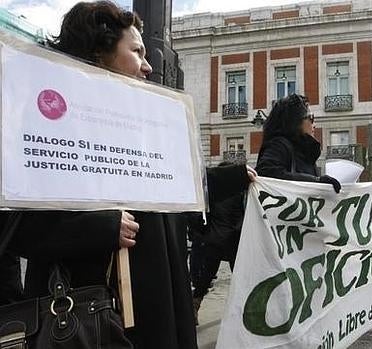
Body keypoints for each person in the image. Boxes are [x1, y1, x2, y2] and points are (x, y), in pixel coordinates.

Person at [5, 2, 254, 348]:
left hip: (161, 304)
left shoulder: (150, 128)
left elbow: (177, 192)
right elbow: (15, 229)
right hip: (94, 318)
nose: (149, 66)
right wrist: (99, 227)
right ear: (99, 52)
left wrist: (239, 175)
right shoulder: (48, 125)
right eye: (137, 51)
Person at [190, 161, 247, 324]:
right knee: (239, 279)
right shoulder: (239, 191)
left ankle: (195, 306)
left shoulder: (212, 192)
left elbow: (198, 216)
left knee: (205, 280)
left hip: (214, 240)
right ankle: (241, 313)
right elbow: (242, 213)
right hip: (233, 240)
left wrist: (202, 232)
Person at [255, 93, 341, 193]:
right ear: (295, 121)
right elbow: (266, 173)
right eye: (311, 118)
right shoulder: (279, 146)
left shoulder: (306, 152)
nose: (315, 125)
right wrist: (316, 182)